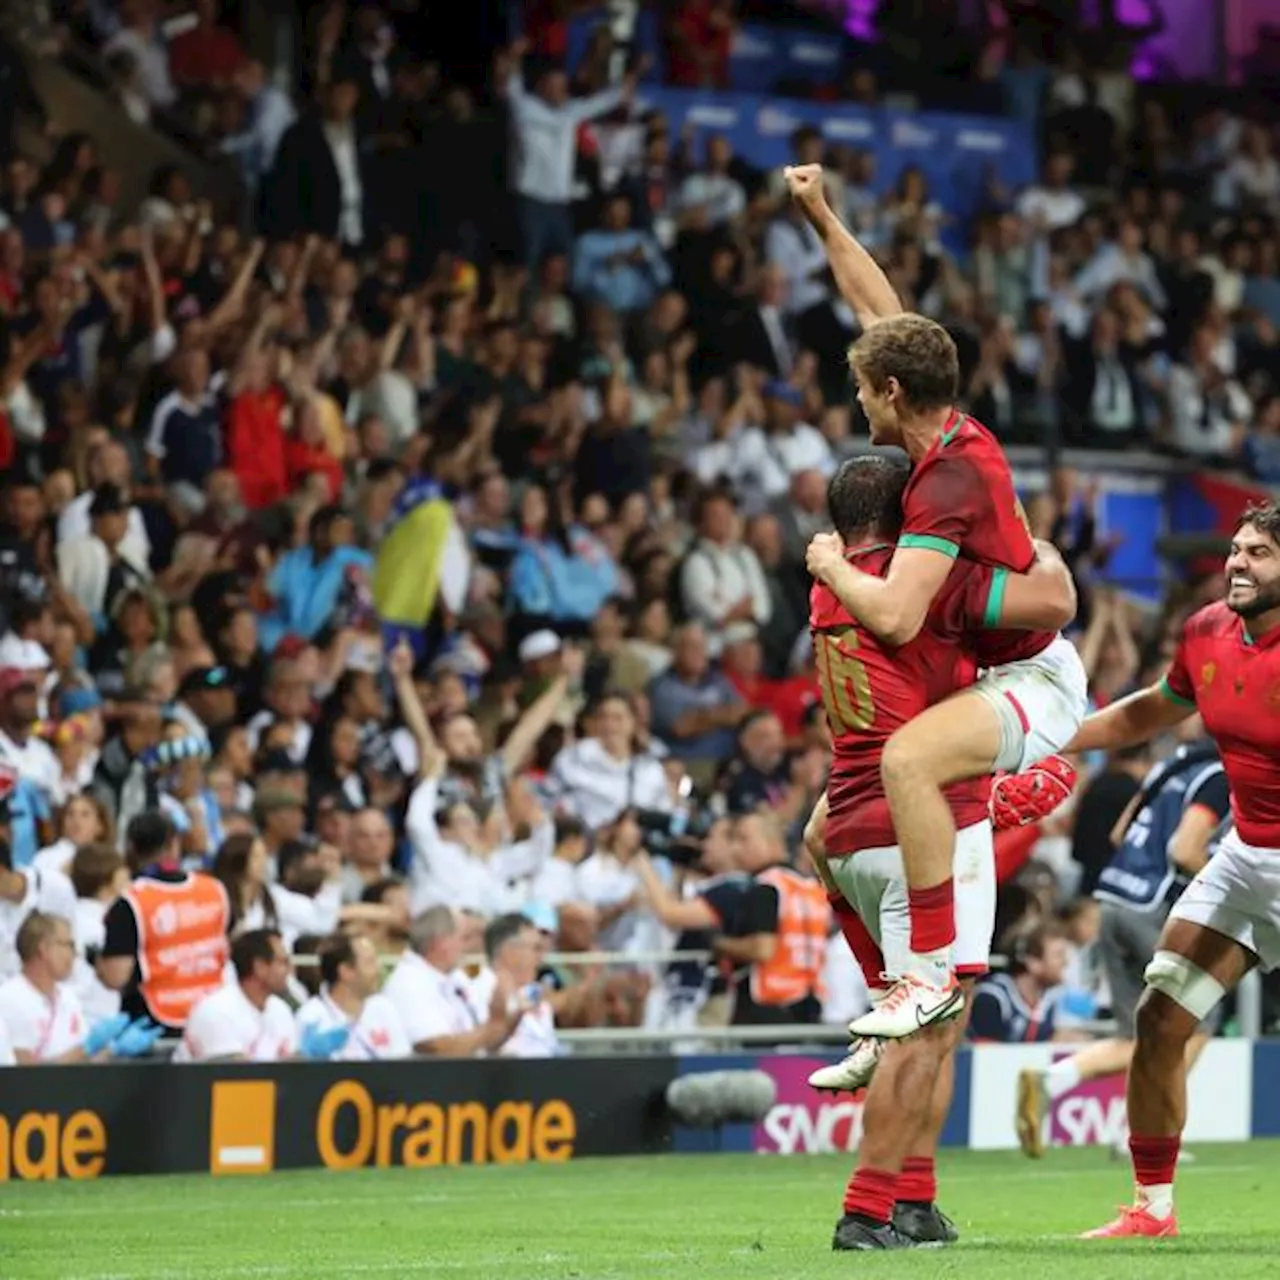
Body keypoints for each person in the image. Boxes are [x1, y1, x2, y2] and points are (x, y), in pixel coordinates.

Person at [786, 163, 1087, 1036]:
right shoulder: (939, 428)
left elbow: (895, 615)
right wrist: (821, 216)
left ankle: (925, 972)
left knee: (908, 763)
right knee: (823, 829)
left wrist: (831, 563)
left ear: (891, 395)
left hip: (1030, 680)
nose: (854, 394)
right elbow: (878, 306)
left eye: (860, 385)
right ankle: (896, 984)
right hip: (1000, 664)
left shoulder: (945, 479)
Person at [798, 455, 1077, 1250]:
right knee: (927, 1028)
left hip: (849, 824)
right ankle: (866, 1210)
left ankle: (915, 1199)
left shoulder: (831, 582)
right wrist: (1037, 545)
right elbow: (1049, 608)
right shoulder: (926, 587)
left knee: (942, 1019)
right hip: (921, 828)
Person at [1063, 503, 1280, 1239]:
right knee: (1160, 1019)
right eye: (1236, 548)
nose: (1238, 563)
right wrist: (1050, 739)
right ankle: (1153, 1210)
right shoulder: (1206, 631)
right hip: (1245, 857)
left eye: (1260, 553)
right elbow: (1147, 713)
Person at [1015, 735, 1229, 1158]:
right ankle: (1145, 1136)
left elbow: (1119, 834)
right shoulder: (1220, 777)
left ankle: (1050, 1080)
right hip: (1152, 910)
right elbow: (1185, 850)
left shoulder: (1178, 759)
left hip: (1112, 900)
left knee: (1136, 1034)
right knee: (1198, 1024)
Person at [96, 810, 230, 1033]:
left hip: (152, 1024)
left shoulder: (130, 902)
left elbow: (116, 976)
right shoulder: (214, 890)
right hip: (213, 1018)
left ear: (131, 848)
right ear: (174, 844)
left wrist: (97, 962)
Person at [0, 911, 159, 1063]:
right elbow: (24, 1075)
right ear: (44, 948)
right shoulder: (10, 999)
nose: (74, 954)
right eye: (68, 944)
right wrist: (87, 1047)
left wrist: (113, 1050)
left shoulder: (67, 998)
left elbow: (84, 1063)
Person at [382, 906, 525, 1056]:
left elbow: (483, 1042)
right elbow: (438, 1049)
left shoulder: (455, 979)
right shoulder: (408, 983)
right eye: (464, 938)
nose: (468, 947)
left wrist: (508, 1022)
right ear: (440, 942)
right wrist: (492, 1027)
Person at [295, 932, 411, 1061]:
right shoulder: (311, 1017)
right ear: (346, 971)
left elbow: (402, 1063)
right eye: (370, 962)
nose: (378, 969)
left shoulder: (383, 1007)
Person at [468, 913, 560, 1058]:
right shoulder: (477, 990)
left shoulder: (535, 997)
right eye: (535, 949)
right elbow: (486, 1046)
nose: (541, 958)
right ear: (508, 951)